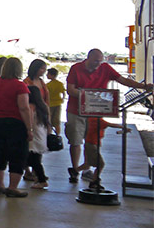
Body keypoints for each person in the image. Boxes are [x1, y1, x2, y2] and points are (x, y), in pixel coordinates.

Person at [65, 48, 153, 183]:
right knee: (76, 141)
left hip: (95, 111)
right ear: (88, 58)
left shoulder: (105, 68)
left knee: (90, 143)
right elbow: (70, 89)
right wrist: (88, 96)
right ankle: (75, 169)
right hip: (75, 110)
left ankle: (86, 169)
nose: (98, 64)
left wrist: (142, 86)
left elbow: (122, 80)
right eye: (95, 61)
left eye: (100, 61)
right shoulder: (76, 68)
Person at [0, 57, 32, 197]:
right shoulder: (20, 86)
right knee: (17, 155)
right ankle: (12, 188)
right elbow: (24, 108)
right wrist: (29, 128)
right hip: (14, 123)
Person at [22, 59, 48, 181]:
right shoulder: (26, 82)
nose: (43, 71)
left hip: (41, 114)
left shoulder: (42, 82)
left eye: (45, 69)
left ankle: (35, 171)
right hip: (33, 112)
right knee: (31, 147)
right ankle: (29, 171)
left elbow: (46, 99)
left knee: (36, 147)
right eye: (41, 68)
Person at [26, 85, 51, 189]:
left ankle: (42, 180)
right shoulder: (43, 106)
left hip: (34, 137)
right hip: (41, 136)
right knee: (36, 159)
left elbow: (30, 122)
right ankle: (39, 177)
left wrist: (28, 131)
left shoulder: (31, 106)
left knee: (34, 161)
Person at [46, 68, 65, 135]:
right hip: (58, 104)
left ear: (52, 75)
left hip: (50, 104)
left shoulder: (48, 85)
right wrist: (62, 99)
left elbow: (46, 95)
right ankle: (58, 135)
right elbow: (63, 93)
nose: (46, 75)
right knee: (57, 121)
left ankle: (49, 135)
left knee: (49, 121)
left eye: (48, 74)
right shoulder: (60, 84)